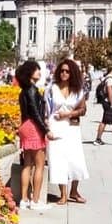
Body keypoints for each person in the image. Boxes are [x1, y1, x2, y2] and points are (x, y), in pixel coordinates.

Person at [45, 59, 89, 204]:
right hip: (56, 125)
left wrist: (69, 114)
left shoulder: (78, 90)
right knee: (58, 159)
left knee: (76, 159)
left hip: (72, 127)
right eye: (62, 71)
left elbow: (83, 110)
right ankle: (63, 194)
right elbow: (45, 110)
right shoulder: (51, 88)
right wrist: (46, 128)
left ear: (72, 73)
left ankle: (74, 191)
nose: (64, 73)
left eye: (67, 71)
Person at [17, 59, 54, 213]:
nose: (39, 72)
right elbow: (35, 113)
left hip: (25, 126)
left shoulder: (23, 91)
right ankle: (36, 200)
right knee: (39, 165)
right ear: (29, 73)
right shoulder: (32, 90)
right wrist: (46, 130)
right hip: (34, 127)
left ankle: (24, 199)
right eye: (36, 69)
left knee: (27, 164)